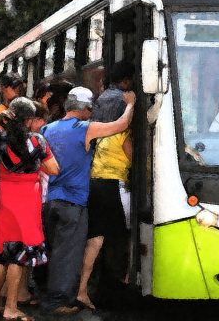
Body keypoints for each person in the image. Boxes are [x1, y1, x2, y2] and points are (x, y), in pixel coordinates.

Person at [41, 87, 135, 315]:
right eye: (90, 108)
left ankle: (50, 292)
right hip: (73, 201)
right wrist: (131, 105)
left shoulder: (47, 128)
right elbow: (121, 125)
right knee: (68, 253)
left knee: (55, 250)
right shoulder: (84, 129)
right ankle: (59, 300)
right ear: (83, 108)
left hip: (50, 198)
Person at [0, 97, 59, 321]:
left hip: (4, 197)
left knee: (1, 255)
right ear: (29, 120)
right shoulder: (37, 141)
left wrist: (3, 119)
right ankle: (11, 308)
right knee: (18, 256)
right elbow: (54, 169)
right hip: (27, 199)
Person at [77, 61, 135, 310]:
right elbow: (133, 160)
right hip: (114, 185)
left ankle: (83, 289)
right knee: (119, 235)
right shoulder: (123, 133)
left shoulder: (98, 131)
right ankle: (119, 285)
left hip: (95, 182)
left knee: (96, 238)